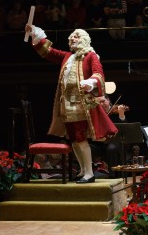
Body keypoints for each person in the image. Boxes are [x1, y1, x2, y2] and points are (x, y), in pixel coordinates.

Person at [24, 24, 118, 183]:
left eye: (76, 36)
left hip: (82, 105)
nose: (72, 39)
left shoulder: (90, 55)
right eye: (71, 38)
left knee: (81, 138)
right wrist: (34, 34)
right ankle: (82, 170)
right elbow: (48, 52)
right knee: (74, 139)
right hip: (66, 105)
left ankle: (90, 173)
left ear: (84, 39)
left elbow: (99, 74)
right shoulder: (68, 56)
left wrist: (91, 83)